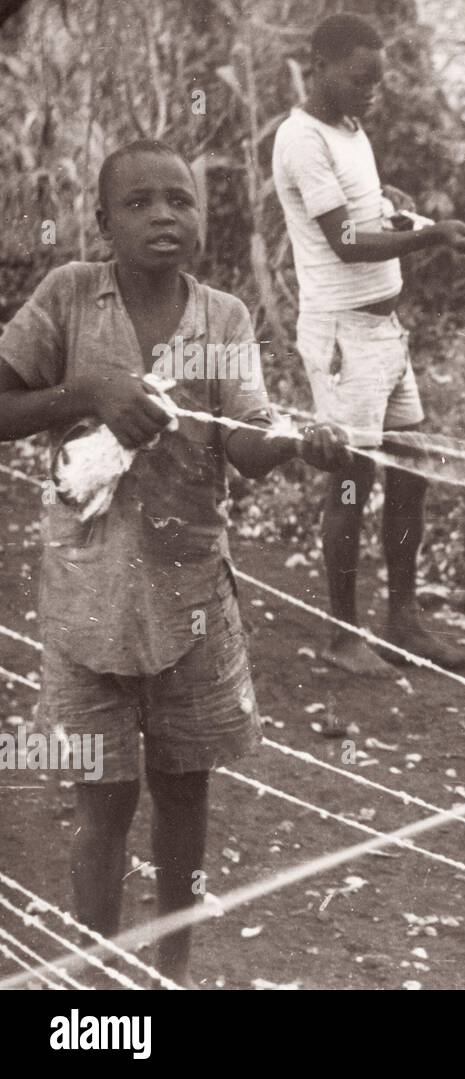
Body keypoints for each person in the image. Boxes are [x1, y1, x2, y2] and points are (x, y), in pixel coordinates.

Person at [0, 139, 351, 985]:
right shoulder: (71, 297)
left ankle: (170, 973)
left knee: (185, 792)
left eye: (181, 201)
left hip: (191, 597)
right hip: (90, 601)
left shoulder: (224, 317)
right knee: (103, 805)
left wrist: (301, 443)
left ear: (201, 216)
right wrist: (89, 393)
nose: (165, 216)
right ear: (103, 223)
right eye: (141, 203)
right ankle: (94, 985)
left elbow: (245, 439)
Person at [272, 11, 465, 676]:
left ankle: (402, 621)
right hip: (343, 335)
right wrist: (431, 234)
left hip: (384, 333)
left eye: (378, 83)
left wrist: (394, 207)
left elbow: (362, 218)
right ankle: (342, 636)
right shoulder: (300, 138)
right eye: (361, 80)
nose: (371, 93)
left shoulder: (350, 130)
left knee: (411, 468)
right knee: (350, 483)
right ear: (321, 66)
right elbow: (344, 241)